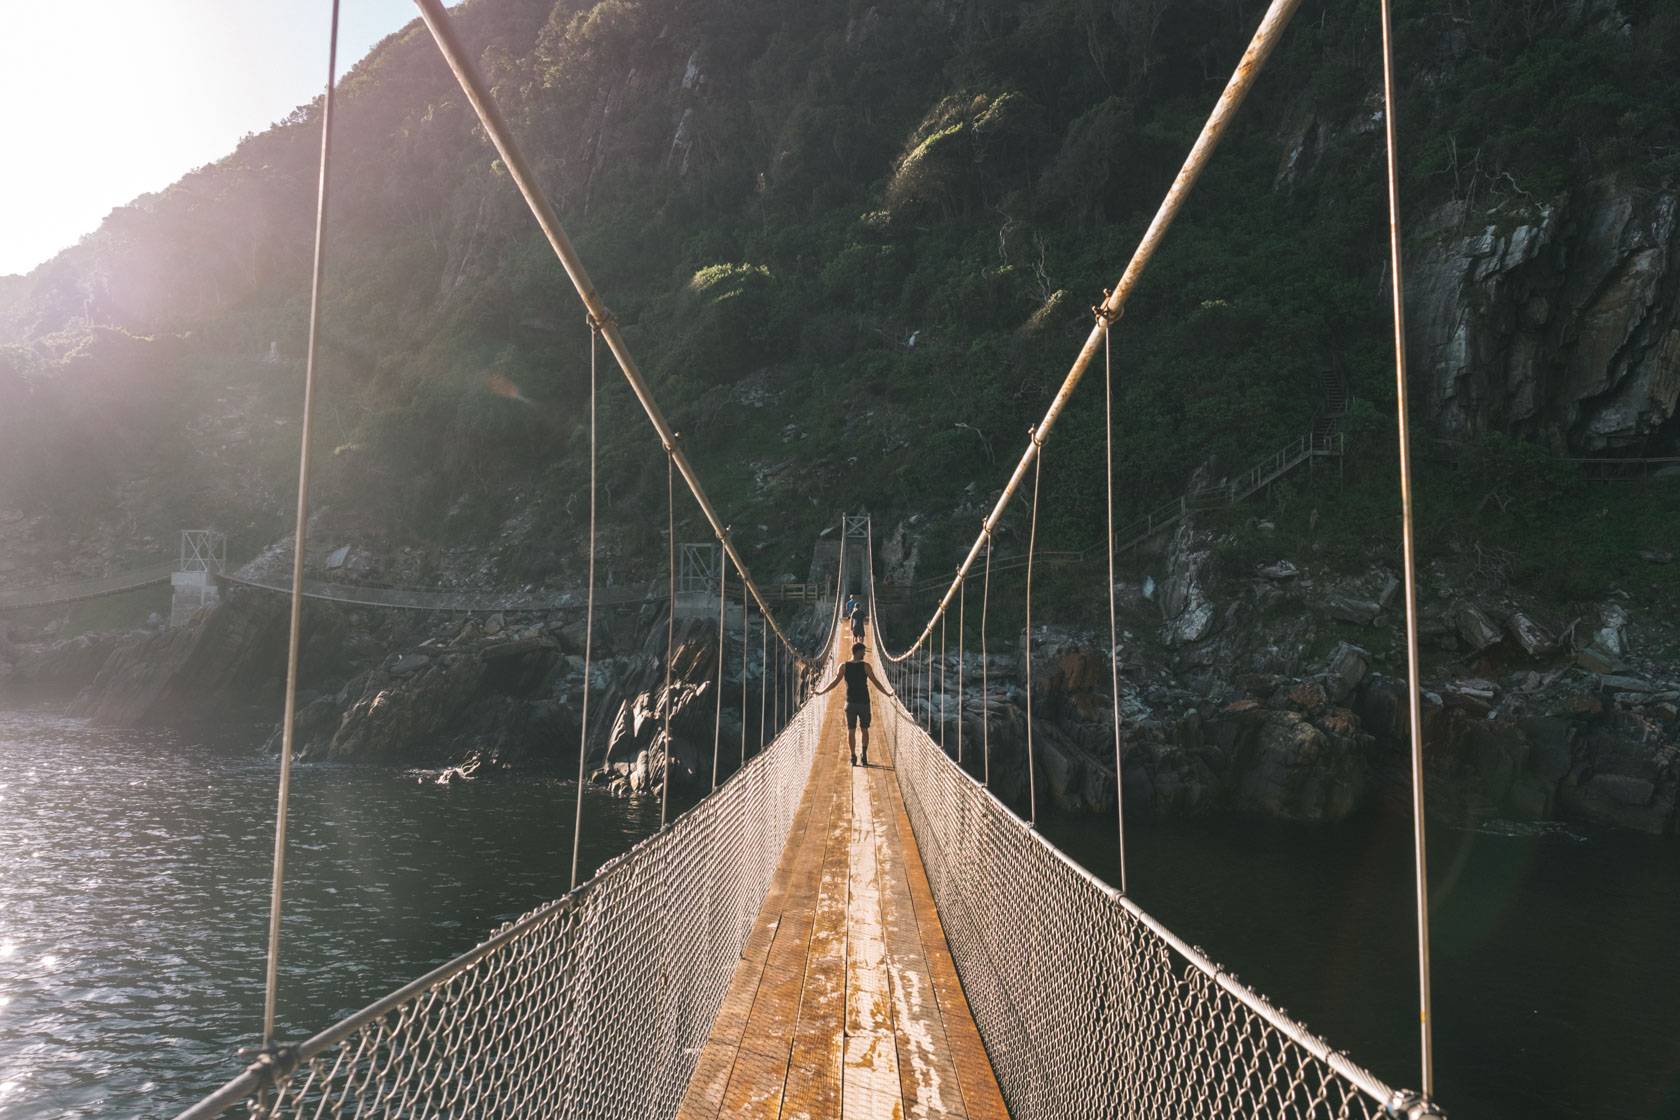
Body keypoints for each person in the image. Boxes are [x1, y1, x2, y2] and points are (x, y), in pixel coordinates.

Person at [814, 641, 888, 766]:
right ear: (858, 651)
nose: (864, 653)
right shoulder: (866, 666)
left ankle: (853, 757)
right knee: (865, 730)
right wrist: (887, 693)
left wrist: (821, 692)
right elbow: (875, 682)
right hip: (864, 702)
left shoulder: (843, 666)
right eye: (863, 651)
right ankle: (864, 756)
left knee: (851, 730)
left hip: (850, 703)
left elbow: (834, 682)